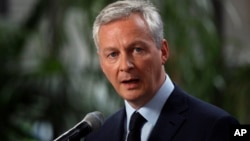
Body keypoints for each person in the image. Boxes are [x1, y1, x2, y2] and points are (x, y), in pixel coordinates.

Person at [85, 0, 239, 141]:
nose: (125, 66)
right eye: (113, 54)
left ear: (163, 52)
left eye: (137, 50)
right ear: (102, 63)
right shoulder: (98, 136)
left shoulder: (216, 126)